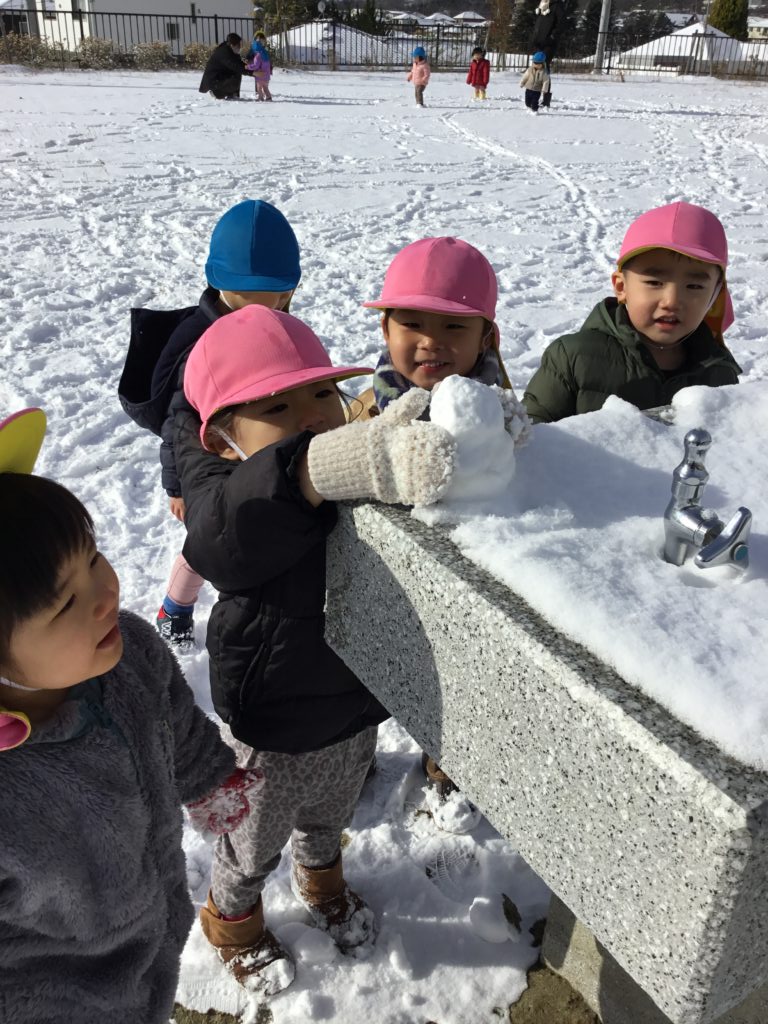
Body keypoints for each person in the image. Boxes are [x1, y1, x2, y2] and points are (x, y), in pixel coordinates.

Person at [173, 304, 456, 993]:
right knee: (252, 844)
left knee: (329, 818)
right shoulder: (227, 496)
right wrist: (301, 473)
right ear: (223, 440)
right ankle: (232, 920)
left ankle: (321, 879)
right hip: (273, 722)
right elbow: (221, 536)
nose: (312, 418)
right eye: (277, 406)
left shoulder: (348, 459)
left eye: (323, 393)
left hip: (352, 705)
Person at [0, 407, 264, 1024]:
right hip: (48, 990)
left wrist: (209, 777)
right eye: (65, 604)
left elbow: (173, 715)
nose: (105, 595)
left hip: (153, 934)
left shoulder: (129, 651)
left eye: (93, 559)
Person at [358, 236, 531, 800]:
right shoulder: (367, 410)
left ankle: (448, 761)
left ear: (486, 337)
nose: (431, 341)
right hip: (386, 576)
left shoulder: (498, 405)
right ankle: (353, 757)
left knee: (463, 679)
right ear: (386, 328)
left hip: (472, 572)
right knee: (374, 668)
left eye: (454, 326)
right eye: (412, 324)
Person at [118, 198, 301, 648]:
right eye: (251, 299)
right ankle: (175, 606)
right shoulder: (202, 345)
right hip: (206, 465)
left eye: (279, 297)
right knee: (207, 545)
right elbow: (175, 423)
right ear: (220, 286)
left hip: (250, 449)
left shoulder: (270, 324)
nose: (270, 311)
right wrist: (176, 486)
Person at [523, 202, 741, 423]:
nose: (672, 301)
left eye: (694, 286)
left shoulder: (719, 372)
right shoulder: (574, 358)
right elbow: (529, 433)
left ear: (715, 297)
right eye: (654, 282)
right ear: (621, 287)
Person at [530, 0, 563, 109]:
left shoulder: (557, 5)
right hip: (538, 41)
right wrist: (534, 38)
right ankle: (534, 96)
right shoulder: (542, 4)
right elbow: (539, 22)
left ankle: (545, 99)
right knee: (536, 68)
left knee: (544, 67)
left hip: (549, 44)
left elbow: (561, 24)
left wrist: (552, 37)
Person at [199, 33, 251, 100]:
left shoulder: (231, 50)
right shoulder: (224, 52)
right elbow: (236, 66)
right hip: (214, 81)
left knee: (236, 74)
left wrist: (251, 67)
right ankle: (216, 93)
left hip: (221, 77)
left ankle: (232, 94)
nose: (240, 47)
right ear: (232, 45)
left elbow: (239, 64)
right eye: (238, 45)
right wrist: (253, 73)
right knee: (235, 75)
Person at [247, 31, 273, 101]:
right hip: (266, 75)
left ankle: (260, 98)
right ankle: (269, 97)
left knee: (259, 88)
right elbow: (269, 64)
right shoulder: (265, 52)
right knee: (265, 88)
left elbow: (255, 65)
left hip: (260, 75)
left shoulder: (257, 56)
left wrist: (248, 66)